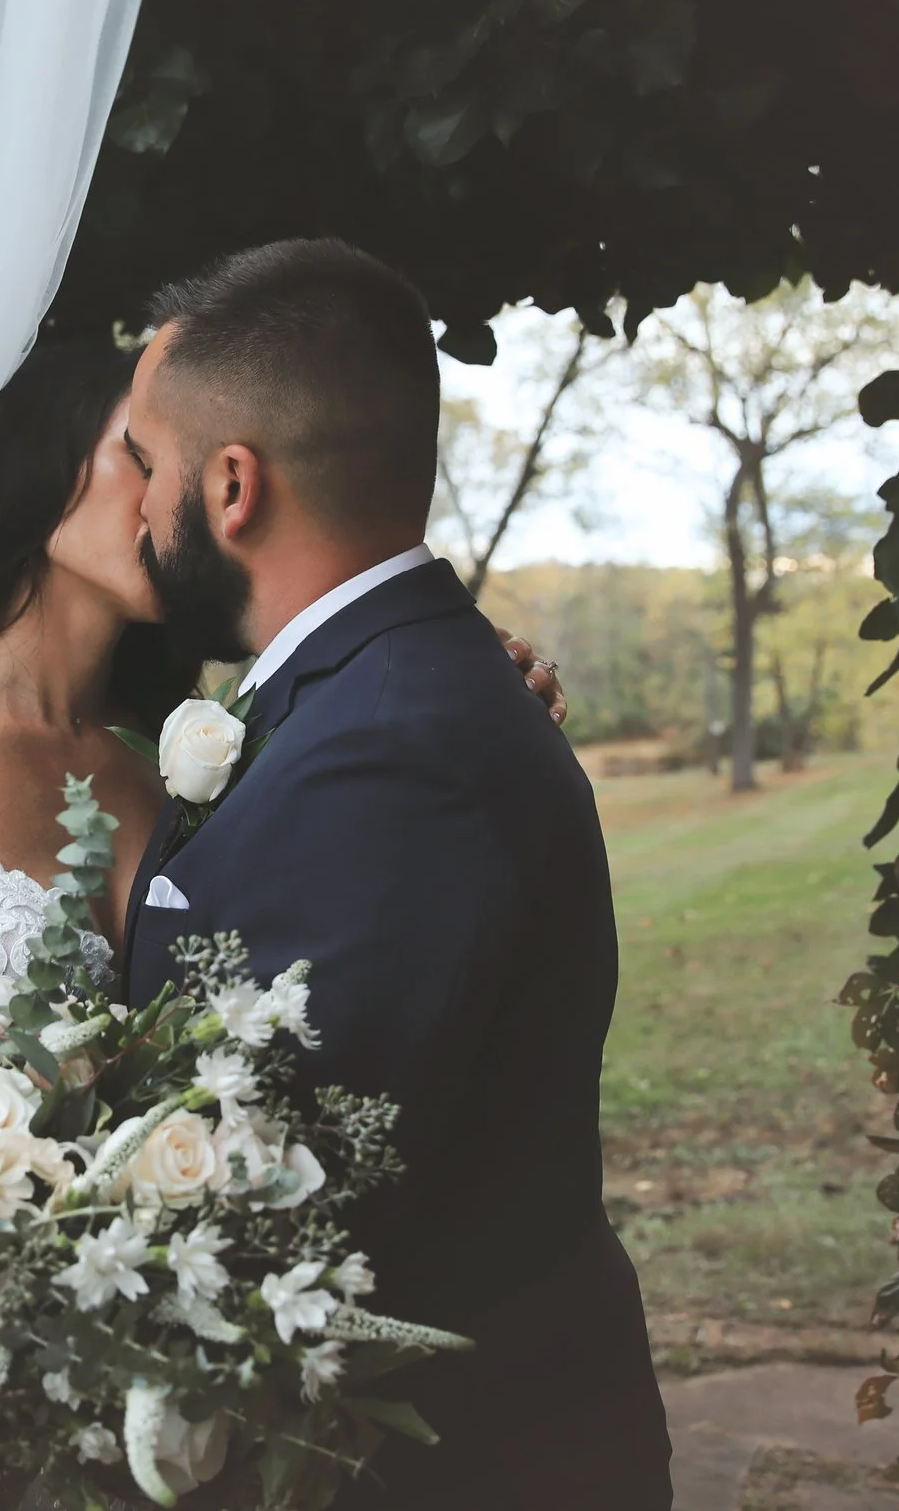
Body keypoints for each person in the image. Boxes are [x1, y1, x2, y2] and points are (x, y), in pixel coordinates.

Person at [0, 337, 567, 1168]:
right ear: (39, 462)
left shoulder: (200, 750)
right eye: (138, 455)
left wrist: (465, 695)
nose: (168, 494)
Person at [121, 240, 670, 1508]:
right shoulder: (369, 697)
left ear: (231, 485)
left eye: (149, 467)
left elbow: (305, 1194)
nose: (139, 510)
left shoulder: (388, 750)